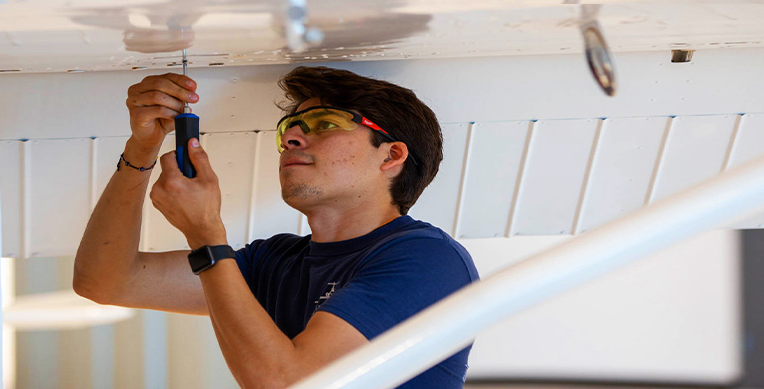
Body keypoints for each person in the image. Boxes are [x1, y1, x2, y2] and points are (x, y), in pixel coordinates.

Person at [73, 66, 479, 388]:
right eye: (290, 129)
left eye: (324, 123)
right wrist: (141, 147)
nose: (293, 138)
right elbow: (105, 281)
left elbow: (289, 384)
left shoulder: (428, 259)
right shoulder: (277, 262)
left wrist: (206, 235)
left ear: (391, 155)